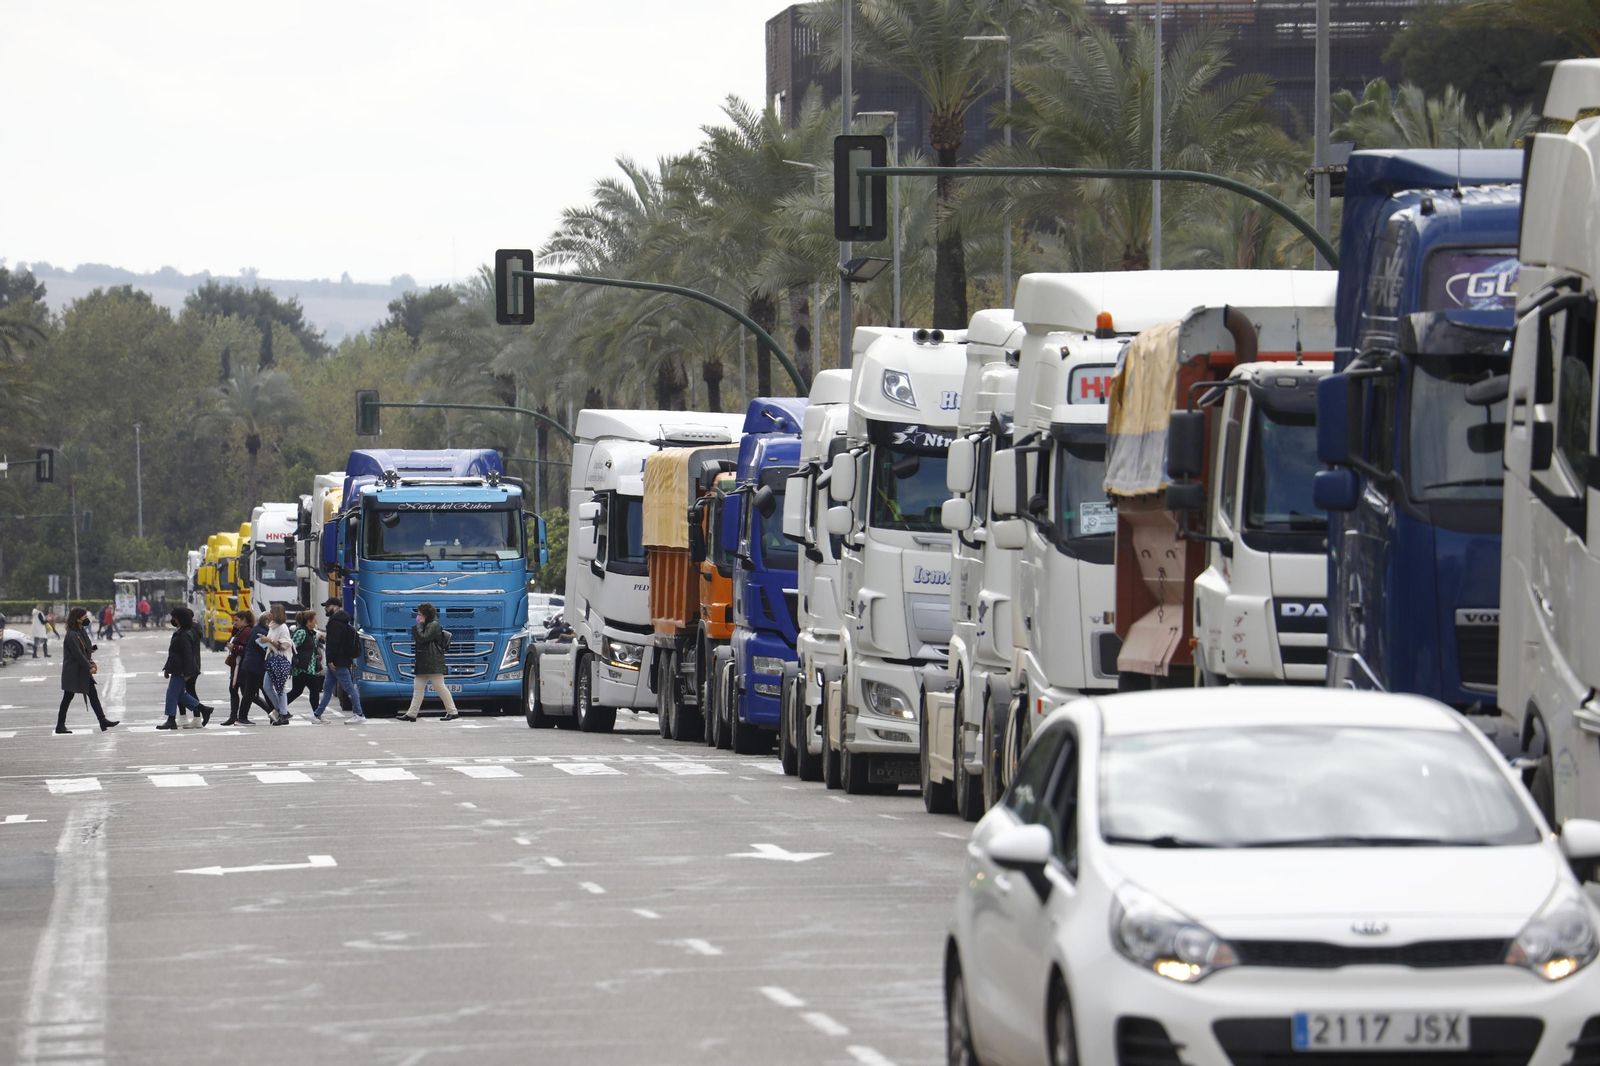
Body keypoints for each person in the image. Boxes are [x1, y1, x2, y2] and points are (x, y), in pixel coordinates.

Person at [56, 607, 117, 734]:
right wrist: (89, 667)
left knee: (92, 694)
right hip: (73, 671)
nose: (87, 619)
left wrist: (91, 649)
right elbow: (77, 654)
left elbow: (83, 648)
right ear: (78, 619)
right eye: (84, 617)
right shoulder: (71, 634)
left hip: (81, 670)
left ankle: (102, 720)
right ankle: (60, 725)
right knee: (68, 697)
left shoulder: (80, 631)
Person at [399, 601, 459, 722]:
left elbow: (423, 638)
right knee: (418, 688)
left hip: (432, 662)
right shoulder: (429, 624)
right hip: (425, 662)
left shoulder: (433, 624)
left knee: (439, 687)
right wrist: (421, 625)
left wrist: (420, 625)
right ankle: (411, 714)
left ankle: (453, 712)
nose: (418, 616)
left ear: (426, 614)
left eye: (420, 614)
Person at [158, 607, 212, 730]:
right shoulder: (180, 632)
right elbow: (173, 653)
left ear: (179, 619)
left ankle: (171, 719)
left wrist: (187, 672)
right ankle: (204, 709)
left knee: (172, 693)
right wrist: (167, 668)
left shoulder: (184, 635)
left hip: (181, 670)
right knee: (181, 694)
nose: (173, 620)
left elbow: (188, 655)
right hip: (177, 668)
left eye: (174, 618)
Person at [314, 597, 366, 723]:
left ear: (335, 607)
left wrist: (330, 660)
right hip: (340, 660)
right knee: (327, 688)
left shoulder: (335, 623)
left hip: (338, 662)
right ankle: (317, 714)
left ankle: (359, 713)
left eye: (328, 606)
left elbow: (334, 643)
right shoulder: (342, 621)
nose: (326, 609)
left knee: (349, 688)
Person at [234, 612, 271, 726]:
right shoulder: (261, 632)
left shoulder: (255, 629)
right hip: (255, 666)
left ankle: (274, 713)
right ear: (266, 622)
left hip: (251, 665)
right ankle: (242, 717)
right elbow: (265, 649)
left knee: (259, 691)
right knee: (251, 692)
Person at [285, 610, 325, 713]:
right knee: (314, 688)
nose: (316, 622)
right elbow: (292, 647)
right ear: (309, 621)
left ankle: (278, 709)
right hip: (303, 667)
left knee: (296, 691)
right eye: (315, 620)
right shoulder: (301, 632)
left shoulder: (310, 632)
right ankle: (316, 714)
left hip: (308, 667)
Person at [262, 603, 295, 725]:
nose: (269, 614)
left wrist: (269, 640)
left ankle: (283, 714)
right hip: (272, 660)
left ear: (277, 614)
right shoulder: (272, 626)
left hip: (281, 660)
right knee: (267, 686)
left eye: (271, 612)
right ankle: (281, 710)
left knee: (281, 688)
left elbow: (284, 645)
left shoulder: (282, 627)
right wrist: (265, 641)